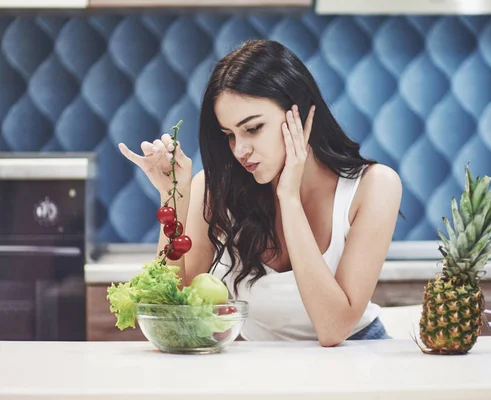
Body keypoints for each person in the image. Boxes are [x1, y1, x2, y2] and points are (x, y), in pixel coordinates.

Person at [118, 39, 403, 346]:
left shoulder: (374, 186)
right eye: (229, 135)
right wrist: (173, 197)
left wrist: (289, 199)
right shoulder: (213, 190)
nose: (240, 150)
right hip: (263, 366)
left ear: (302, 112)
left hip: (357, 360)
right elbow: (175, 317)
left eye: (253, 128)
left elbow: (333, 329)